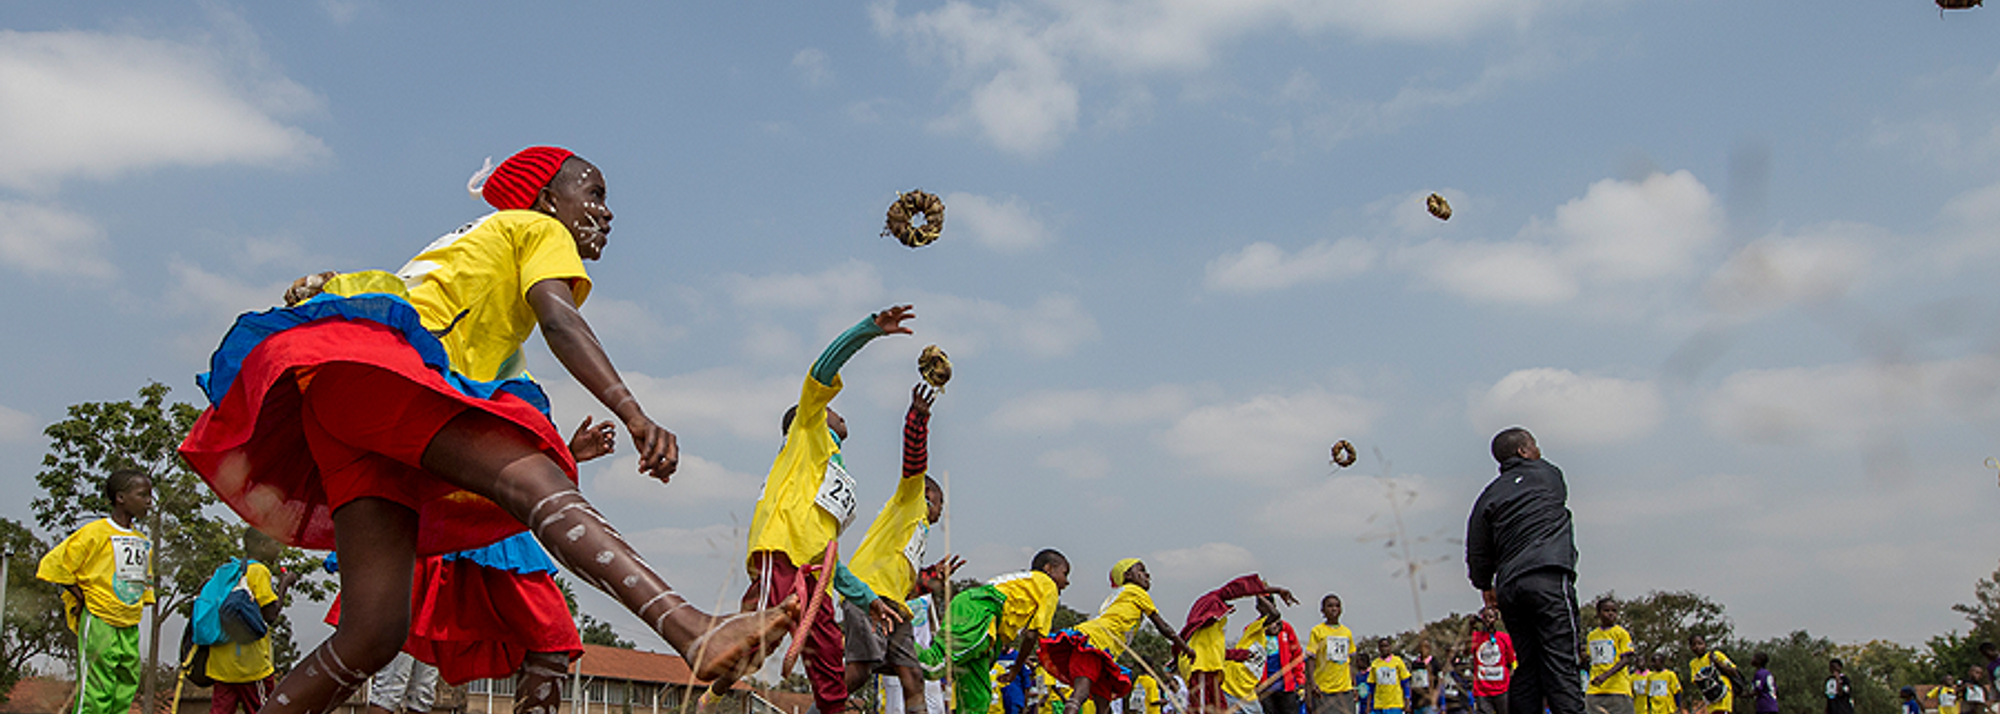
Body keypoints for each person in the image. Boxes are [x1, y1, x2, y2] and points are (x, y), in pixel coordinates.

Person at [178, 146, 798, 714]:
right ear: (548, 199)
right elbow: (559, 320)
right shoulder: (536, 228)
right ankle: (691, 627)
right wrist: (633, 414)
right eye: (594, 193)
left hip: (342, 399)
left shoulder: (474, 251)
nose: (606, 214)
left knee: (373, 633)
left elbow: (475, 367)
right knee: (532, 481)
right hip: (387, 377)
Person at [746, 304, 919, 714]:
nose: (839, 413)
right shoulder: (806, 430)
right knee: (755, 638)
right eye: (832, 409)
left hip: (815, 573)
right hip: (784, 556)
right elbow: (823, 368)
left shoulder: (833, 468)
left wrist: (868, 599)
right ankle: (710, 671)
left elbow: (830, 556)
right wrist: (870, 330)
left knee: (829, 661)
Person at [846, 384, 959, 714]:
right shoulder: (910, 502)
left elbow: (904, 578)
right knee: (860, 671)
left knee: (913, 677)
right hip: (869, 595)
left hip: (895, 606)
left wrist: (930, 579)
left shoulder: (917, 532)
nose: (941, 511)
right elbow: (913, 462)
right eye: (940, 503)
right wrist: (918, 420)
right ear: (929, 498)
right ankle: (820, 706)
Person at [1464, 428, 1582, 714]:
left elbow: (1477, 548)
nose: (1539, 450)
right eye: (1535, 445)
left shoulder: (1488, 495)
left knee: (1528, 665)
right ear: (1523, 451)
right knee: (1561, 663)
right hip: (1549, 576)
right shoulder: (1548, 474)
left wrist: (1485, 585)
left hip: (1510, 588)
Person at [38, 470, 154, 714]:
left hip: (130, 622)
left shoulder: (142, 540)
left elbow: (145, 581)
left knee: (126, 685)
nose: (149, 501)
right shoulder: (95, 532)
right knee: (96, 687)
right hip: (101, 618)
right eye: (142, 495)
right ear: (121, 497)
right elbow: (55, 564)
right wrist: (81, 596)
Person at [924, 550, 1073, 714]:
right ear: (1049, 569)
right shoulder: (1048, 585)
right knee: (934, 664)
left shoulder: (1026, 583)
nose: (1067, 582)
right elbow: (1032, 635)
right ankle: (896, 647)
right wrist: (1016, 669)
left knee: (977, 699)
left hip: (978, 612)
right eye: (1065, 574)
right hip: (980, 611)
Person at [1040, 560, 1192, 714]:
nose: (1147, 575)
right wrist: (1185, 648)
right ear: (1127, 575)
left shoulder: (1116, 596)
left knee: (1103, 701)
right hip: (1095, 643)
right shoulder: (1137, 591)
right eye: (1141, 571)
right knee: (1081, 693)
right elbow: (1163, 626)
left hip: (1100, 648)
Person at [204, 528, 303, 714]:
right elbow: (271, 615)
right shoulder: (258, 571)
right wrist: (284, 584)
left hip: (221, 664)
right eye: (276, 544)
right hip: (250, 665)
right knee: (263, 709)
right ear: (262, 545)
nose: (279, 550)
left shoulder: (228, 571)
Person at [1179, 575, 1298, 714]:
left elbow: (1222, 653)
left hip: (1247, 692)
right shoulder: (1254, 628)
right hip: (1230, 688)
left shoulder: (1281, 631)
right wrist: (1261, 592)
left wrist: (1242, 655)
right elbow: (1271, 612)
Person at [1220, 595, 1301, 714]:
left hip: (1269, 688)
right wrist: (1258, 592)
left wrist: (1299, 680)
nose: (1275, 626)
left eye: (1277, 625)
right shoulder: (1254, 629)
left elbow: (1297, 655)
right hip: (1242, 688)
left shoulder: (1286, 629)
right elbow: (1274, 615)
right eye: (1272, 624)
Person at [1306, 594, 1358, 714]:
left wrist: (1354, 685)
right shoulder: (1317, 631)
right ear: (1323, 610)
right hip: (1324, 689)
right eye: (1330, 606)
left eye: (1337, 606)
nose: (1334, 609)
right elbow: (1311, 660)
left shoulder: (1347, 632)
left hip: (1345, 689)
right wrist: (1312, 684)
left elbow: (1350, 661)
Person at [1585, 598, 1636, 714]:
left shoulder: (1621, 633)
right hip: (1595, 690)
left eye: (1614, 611)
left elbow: (1625, 659)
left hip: (1618, 689)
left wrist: (1605, 676)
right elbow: (1591, 660)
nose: (1610, 613)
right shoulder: (1591, 635)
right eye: (1606, 610)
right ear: (1598, 613)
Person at [1469, 607, 1514, 714]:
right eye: (1485, 617)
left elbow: (1511, 661)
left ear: (1496, 619)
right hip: (1482, 690)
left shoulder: (1505, 638)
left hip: (1502, 689)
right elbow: (1466, 651)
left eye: (1491, 617)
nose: (1488, 620)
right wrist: (1470, 628)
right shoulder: (1476, 637)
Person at [1687, 635, 1739, 714]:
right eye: (1694, 645)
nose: (1697, 647)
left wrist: (1718, 664)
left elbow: (1734, 671)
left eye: (1700, 643)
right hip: (1710, 697)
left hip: (1723, 695)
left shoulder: (1715, 655)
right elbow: (1696, 681)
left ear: (1705, 644)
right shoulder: (1693, 664)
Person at [1368, 639, 1413, 714]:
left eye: (1386, 646)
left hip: (1395, 703)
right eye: (1381, 646)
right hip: (1379, 704)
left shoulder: (1397, 661)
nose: (1384, 649)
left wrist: (1407, 701)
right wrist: (1368, 705)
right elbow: (1372, 686)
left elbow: (1405, 683)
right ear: (1379, 649)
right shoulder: (1375, 664)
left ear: (1390, 647)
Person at [1410, 640, 1441, 714]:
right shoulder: (1415, 664)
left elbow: (1439, 683)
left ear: (1429, 649)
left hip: (1430, 703)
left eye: (1426, 647)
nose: (1423, 649)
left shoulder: (1434, 663)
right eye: (1421, 647)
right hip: (1417, 703)